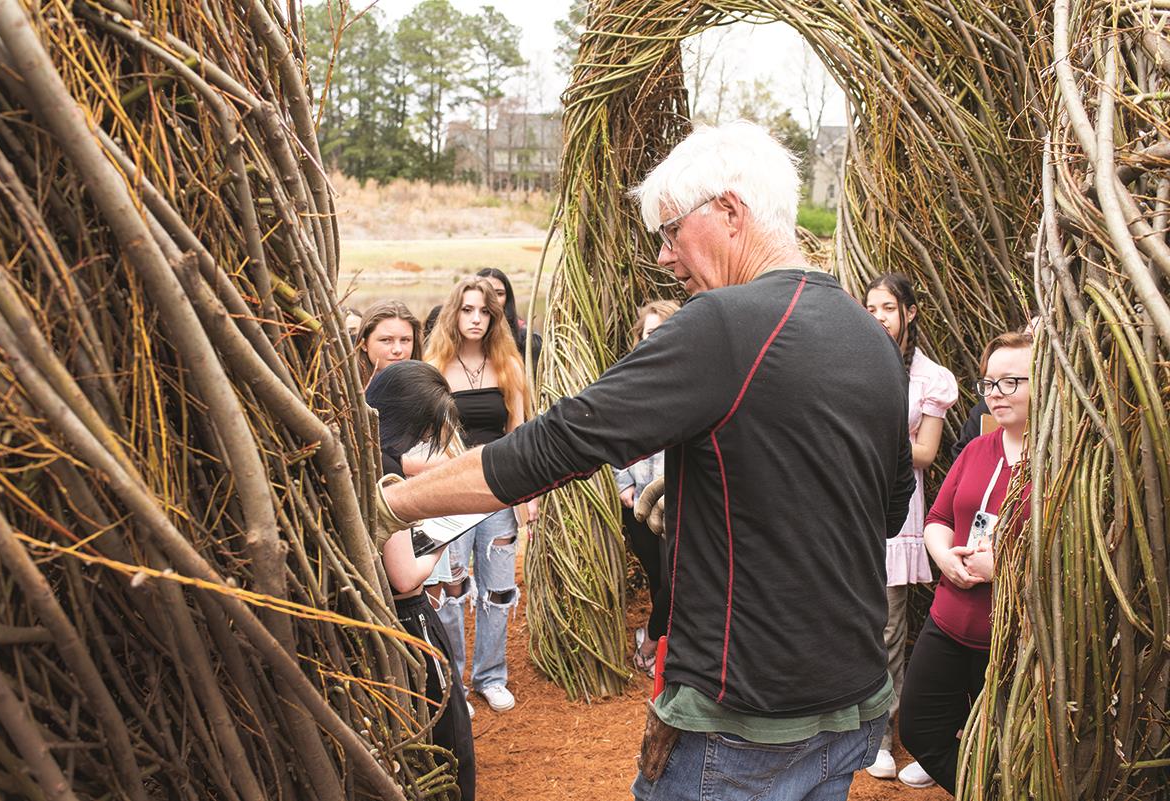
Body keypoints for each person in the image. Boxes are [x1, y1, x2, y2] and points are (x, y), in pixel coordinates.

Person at [374, 120, 915, 801]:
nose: (663, 256)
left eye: (669, 231)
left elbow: (555, 446)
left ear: (728, 210)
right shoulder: (868, 336)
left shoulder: (724, 322)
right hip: (849, 708)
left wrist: (387, 505)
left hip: (741, 721)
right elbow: (886, 509)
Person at [898, 332, 1034, 792]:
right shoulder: (979, 448)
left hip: (1015, 637)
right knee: (921, 729)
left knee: (1007, 740)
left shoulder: (1061, 465)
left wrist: (1007, 570)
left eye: (1010, 381)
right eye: (989, 383)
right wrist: (946, 560)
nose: (995, 393)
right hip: (949, 619)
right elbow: (938, 518)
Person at [365, 361, 476, 801]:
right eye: (428, 429)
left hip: (372, 620)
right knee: (444, 734)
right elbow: (406, 575)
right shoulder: (384, 472)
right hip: (406, 623)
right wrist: (448, 533)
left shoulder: (367, 449)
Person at [862, 274, 957, 781]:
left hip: (897, 511)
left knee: (891, 627)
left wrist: (879, 437)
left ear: (910, 312)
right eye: (871, 307)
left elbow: (926, 453)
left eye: (889, 307)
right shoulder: (851, 361)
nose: (879, 317)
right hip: (850, 508)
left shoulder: (929, 378)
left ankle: (882, 735)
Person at [424, 276, 532, 714]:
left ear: (495, 317)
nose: (475, 318)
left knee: (499, 589)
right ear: (454, 313)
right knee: (450, 588)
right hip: (450, 491)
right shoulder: (434, 365)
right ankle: (455, 684)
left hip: (497, 489)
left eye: (484, 311)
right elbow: (425, 436)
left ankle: (491, 677)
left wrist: (528, 495)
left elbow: (519, 432)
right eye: (467, 310)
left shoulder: (507, 365)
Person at [614, 300, 681, 677]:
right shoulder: (630, 382)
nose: (655, 339)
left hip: (680, 502)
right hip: (639, 500)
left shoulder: (692, 380)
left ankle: (654, 640)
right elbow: (615, 437)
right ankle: (661, 641)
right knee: (658, 578)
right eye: (649, 332)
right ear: (639, 338)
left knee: (674, 580)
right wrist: (623, 483)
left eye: (664, 330)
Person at [476, 267, 543, 369]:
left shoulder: (527, 338)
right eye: (486, 292)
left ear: (507, 298)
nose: (493, 298)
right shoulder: (465, 335)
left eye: (499, 293)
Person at [354, 300, 423, 390]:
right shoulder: (344, 393)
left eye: (405, 340)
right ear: (363, 344)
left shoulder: (428, 391)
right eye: (386, 340)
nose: (398, 350)